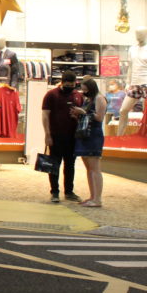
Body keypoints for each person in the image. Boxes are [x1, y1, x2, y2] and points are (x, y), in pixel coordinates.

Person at [41, 70, 84, 203]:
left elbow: (83, 115)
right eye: (68, 84)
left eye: (72, 84)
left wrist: (78, 116)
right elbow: (45, 115)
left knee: (70, 165)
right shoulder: (51, 95)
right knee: (54, 164)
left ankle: (69, 191)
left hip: (72, 137)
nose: (70, 87)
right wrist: (47, 134)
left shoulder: (77, 95)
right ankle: (54, 192)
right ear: (62, 82)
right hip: (56, 135)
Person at [73, 76, 106, 207]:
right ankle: (92, 196)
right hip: (85, 134)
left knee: (95, 168)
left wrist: (83, 112)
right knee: (89, 169)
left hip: (94, 136)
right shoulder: (89, 99)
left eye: (85, 90)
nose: (84, 92)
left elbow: (99, 117)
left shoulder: (99, 98)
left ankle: (97, 199)